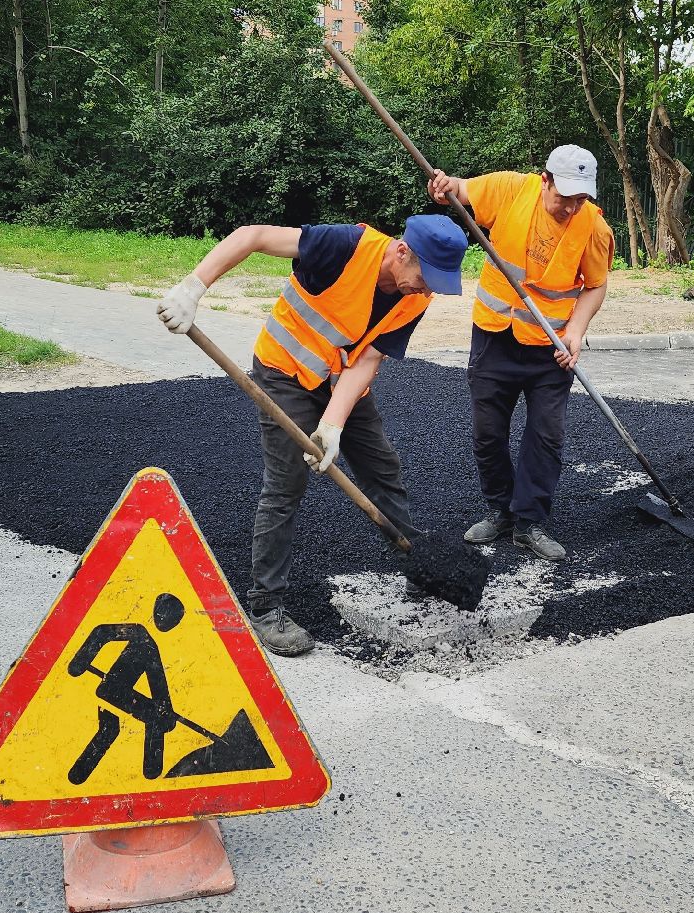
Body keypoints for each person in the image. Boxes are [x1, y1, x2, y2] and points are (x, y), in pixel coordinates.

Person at [156, 214, 469, 657]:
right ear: (402, 252)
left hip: (339, 377)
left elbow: (367, 359)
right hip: (284, 371)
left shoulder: (414, 298)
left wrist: (334, 424)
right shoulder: (344, 246)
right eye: (424, 276)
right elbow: (254, 235)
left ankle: (416, 564)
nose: (426, 288)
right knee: (286, 486)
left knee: (382, 466)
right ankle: (265, 606)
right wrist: (193, 287)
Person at [426, 145, 614, 563]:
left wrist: (576, 333)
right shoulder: (510, 189)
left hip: (550, 348)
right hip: (494, 337)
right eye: (564, 196)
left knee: (547, 435)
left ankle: (528, 522)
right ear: (544, 179)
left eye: (580, 198)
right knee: (488, 432)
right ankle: (499, 510)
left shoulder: (594, 230)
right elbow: (458, 190)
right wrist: (443, 187)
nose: (570, 207)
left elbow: (595, 285)